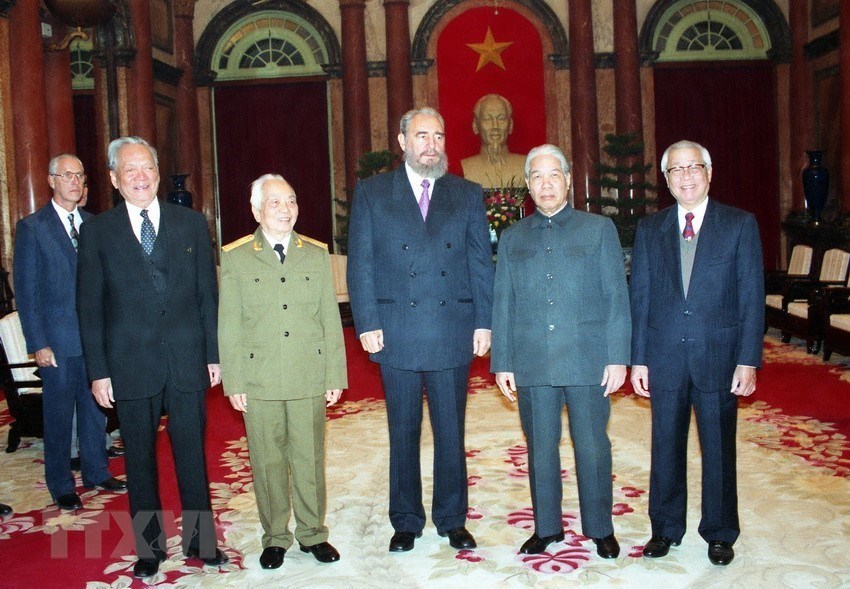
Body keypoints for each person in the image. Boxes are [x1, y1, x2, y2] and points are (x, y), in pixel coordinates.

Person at [77, 137, 228, 579]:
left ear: (158, 173)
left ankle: (201, 542)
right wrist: (98, 371)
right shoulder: (97, 232)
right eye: (130, 170)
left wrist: (213, 353)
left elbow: (207, 295)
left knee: (192, 456)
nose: (140, 177)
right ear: (114, 179)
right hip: (128, 363)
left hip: (186, 358)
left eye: (147, 168)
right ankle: (149, 548)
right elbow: (89, 308)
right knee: (139, 460)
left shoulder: (191, 223)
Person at [347, 107, 494, 553]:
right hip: (397, 329)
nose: (432, 145)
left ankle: (452, 519)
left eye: (439, 136)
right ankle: (406, 520)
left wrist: (485, 321)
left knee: (451, 432)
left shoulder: (466, 193)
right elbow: (361, 263)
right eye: (422, 136)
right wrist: (367, 320)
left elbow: (480, 263)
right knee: (403, 430)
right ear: (402, 142)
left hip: (452, 328)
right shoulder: (373, 193)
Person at [491, 144, 630, 558]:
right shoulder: (513, 237)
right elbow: (503, 303)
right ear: (528, 185)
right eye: (537, 176)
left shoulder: (598, 229)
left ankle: (600, 527)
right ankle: (547, 528)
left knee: (592, 446)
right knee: (540, 448)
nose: (546, 184)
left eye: (554, 175)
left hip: (587, 359)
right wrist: (503, 361)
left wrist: (618, 357)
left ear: (568, 181)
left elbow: (616, 297)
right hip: (532, 360)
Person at [629, 140, 764, 566]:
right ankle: (665, 528)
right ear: (666, 180)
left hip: (719, 357)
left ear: (709, 172)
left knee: (718, 448)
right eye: (676, 170)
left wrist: (748, 359)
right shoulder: (650, 229)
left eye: (693, 167)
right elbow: (641, 298)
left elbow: (751, 297)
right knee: (665, 445)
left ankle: (720, 532)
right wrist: (638, 359)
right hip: (664, 355)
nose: (685, 176)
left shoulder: (739, 224)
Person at [218, 174, 347, 570]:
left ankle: (313, 533)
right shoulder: (237, 256)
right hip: (260, 378)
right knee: (267, 461)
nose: (285, 209)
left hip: (308, 372)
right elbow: (229, 324)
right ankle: (275, 537)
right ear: (256, 210)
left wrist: (334, 375)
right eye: (275, 202)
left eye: (290, 200)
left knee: (309, 459)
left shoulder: (315, 254)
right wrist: (234, 380)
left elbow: (330, 318)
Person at [13, 154, 125, 512]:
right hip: (57, 342)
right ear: (51, 181)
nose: (75, 182)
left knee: (95, 410)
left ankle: (96, 472)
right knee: (59, 417)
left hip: (95, 340)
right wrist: (38, 343)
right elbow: (26, 292)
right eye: (67, 176)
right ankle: (60, 484)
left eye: (80, 175)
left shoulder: (94, 224)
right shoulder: (34, 228)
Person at [461, 94, 527, 188]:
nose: (495, 126)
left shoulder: (525, 165)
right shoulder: (466, 167)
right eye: (487, 119)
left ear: (510, 125)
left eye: (501, 118)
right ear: (475, 126)